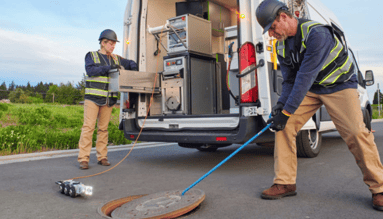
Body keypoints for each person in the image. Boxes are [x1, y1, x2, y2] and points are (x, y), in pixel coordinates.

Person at [256, 0, 383, 211]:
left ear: (284, 17)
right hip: (313, 89)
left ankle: (379, 188)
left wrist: (287, 110)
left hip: (339, 84)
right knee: (283, 127)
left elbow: (304, 77)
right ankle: (285, 182)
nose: (271, 34)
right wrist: (280, 108)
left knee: (356, 132)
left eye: (273, 28)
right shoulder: (280, 45)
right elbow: (289, 81)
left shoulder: (317, 34)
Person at [78, 29, 138, 170]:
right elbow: (91, 71)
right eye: (111, 44)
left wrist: (133, 65)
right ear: (103, 43)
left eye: (114, 45)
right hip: (93, 98)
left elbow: (128, 62)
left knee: (103, 130)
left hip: (108, 100)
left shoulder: (116, 58)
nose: (113, 47)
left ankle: (102, 157)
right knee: (88, 128)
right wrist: (108, 68)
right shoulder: (91, 56)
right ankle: (83, 159)